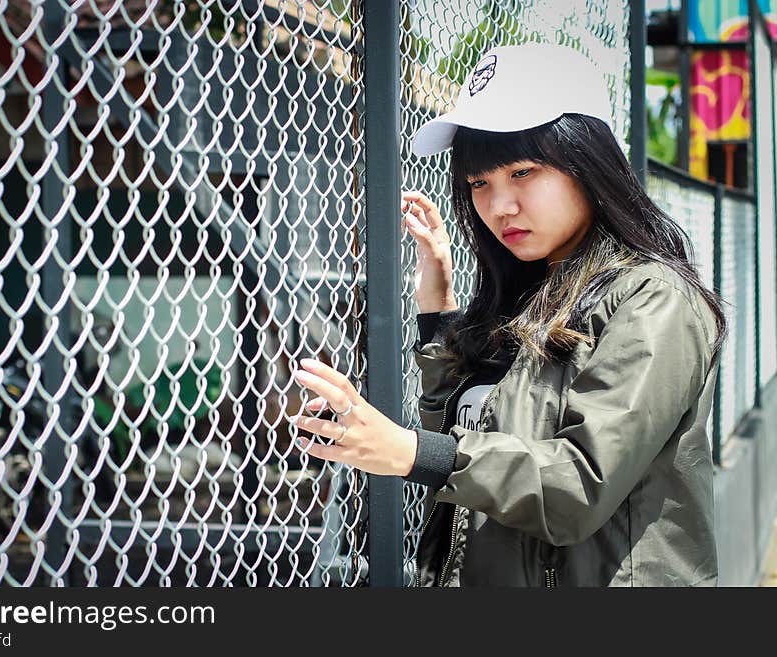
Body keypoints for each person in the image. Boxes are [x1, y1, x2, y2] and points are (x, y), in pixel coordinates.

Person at [286, 43, 726, 587]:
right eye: (479, 183)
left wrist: (406, 452)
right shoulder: (531, 288)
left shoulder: (653, 298)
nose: (499, 206)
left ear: (587, 162)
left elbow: (577, 486)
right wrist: (440, 312)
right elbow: (471, 427)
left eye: (522, 172)